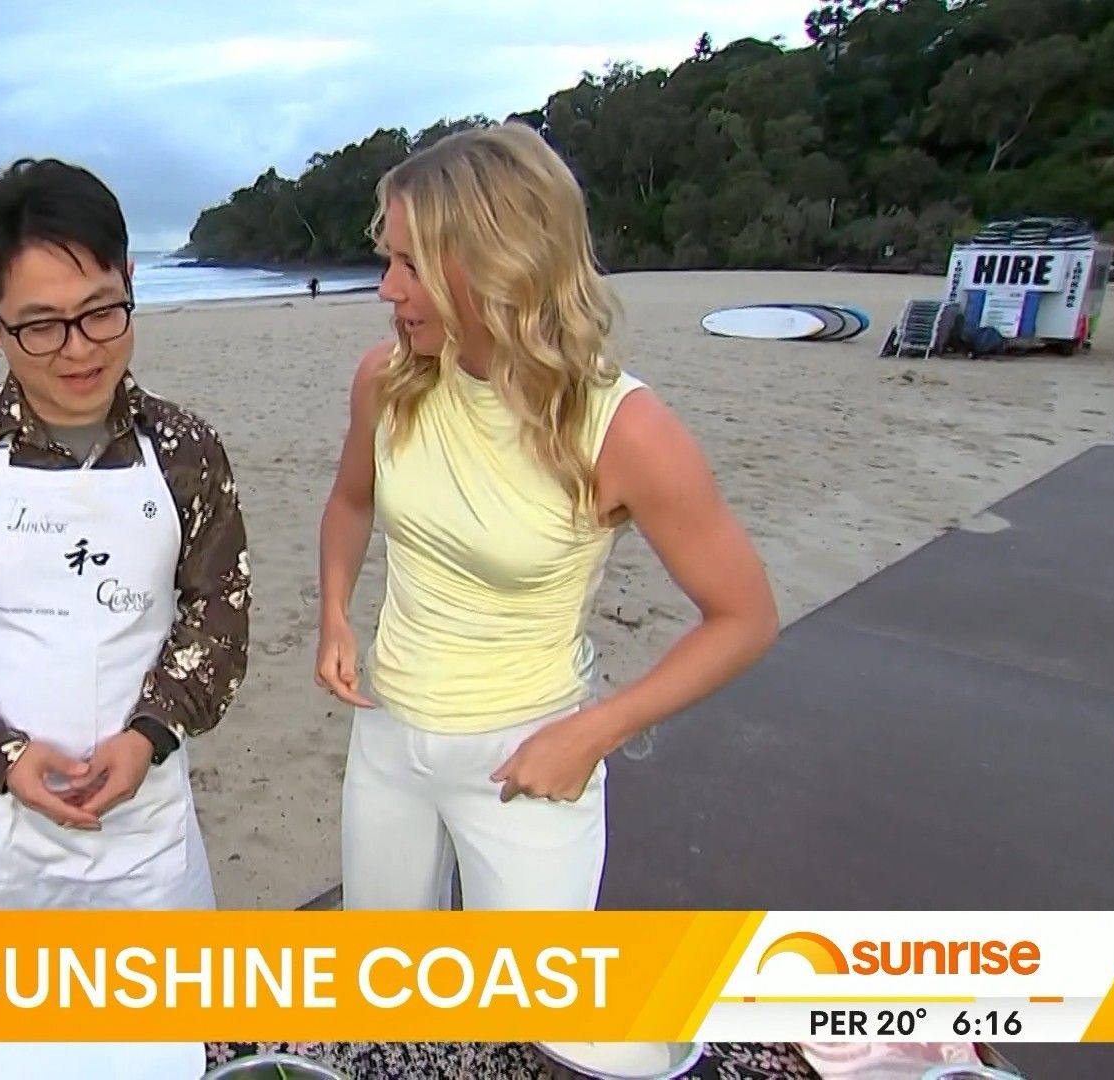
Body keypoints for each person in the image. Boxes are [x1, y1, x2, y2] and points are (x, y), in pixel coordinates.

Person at [315, 125, 779, 911]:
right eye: (387, 260)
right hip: (387, 739)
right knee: (385, 979)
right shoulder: (386, 380)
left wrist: (595, 733)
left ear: (497, 264)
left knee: (532, 987)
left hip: (526, 759)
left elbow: (746, 618)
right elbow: (350, 500)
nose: (387, 290)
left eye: (412, 265)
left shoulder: (623, 429)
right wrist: (334, 612)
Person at [0, 157, 250, 912]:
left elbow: (219, 614)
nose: (80, 349)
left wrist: (149, 733)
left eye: (102, 311)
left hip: (150, 828)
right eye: (42, 325)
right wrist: (0, 750)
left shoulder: (186, 451)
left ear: (130, 283)